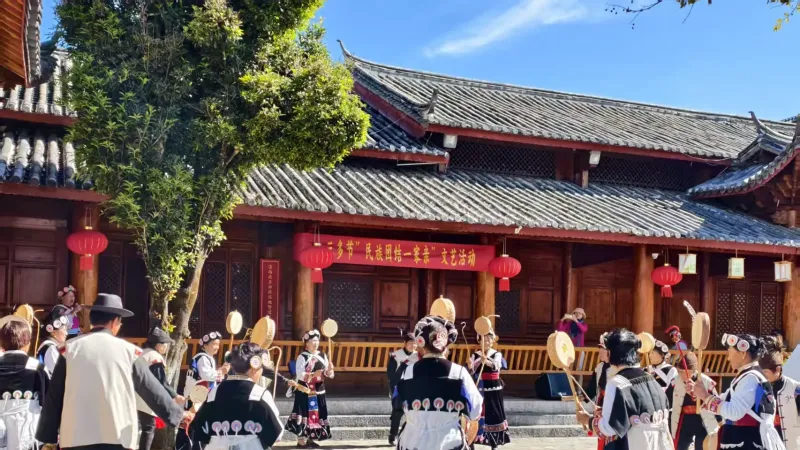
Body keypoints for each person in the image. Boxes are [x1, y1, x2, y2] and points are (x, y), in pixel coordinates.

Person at [35, 293, 187, 450]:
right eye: (120, 322)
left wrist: (47, 436)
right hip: (117, 437)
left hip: (75, 438)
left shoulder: (69, 350)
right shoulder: (129, 352)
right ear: (115, 322)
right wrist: (178, 415)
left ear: (92, 320)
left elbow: (55, 395)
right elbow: (151, 388)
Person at [393, 315, 483, 450]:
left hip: (411, 442)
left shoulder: (408, 372)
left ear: (422, 345)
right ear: (445, 345)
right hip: (448, 443)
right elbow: (476, 410)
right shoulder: (458, 373)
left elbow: (397, 404)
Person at [576, 328, 673, 450]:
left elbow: (608, 428)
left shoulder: (617, 383)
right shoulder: (651, 378)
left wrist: (586, 419)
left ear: (611, 353)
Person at [692, 333, 785, 450]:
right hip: (744, 439)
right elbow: (725, 399)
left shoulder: (750, 378)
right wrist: (700, 394)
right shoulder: (748, 376)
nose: (728, 358)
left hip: (746, 441)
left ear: (743, 353)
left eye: (730, 352)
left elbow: (735, 412)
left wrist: (706, 397)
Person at [189, 342, 283, 450]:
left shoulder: (214, 392)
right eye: (261, 368)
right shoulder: (259, 394)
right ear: (254, 367)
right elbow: (277, 434)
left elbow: (200, 430)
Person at [0, 316, 49, 450]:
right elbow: (48, 402)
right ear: (27, 343)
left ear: (2, 343)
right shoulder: (37, 368)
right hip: (26, 435)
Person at [177, 330, 227, 450]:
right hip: (197, 398)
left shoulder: (207, 358)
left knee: (196, 425)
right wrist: (221, 371)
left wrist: (221, 372)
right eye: (214, 344)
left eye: (218, 344)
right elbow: (206, 375)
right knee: (194, 426)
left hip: (201, 397)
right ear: (205, 345)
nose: (217, 347)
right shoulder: (202, 358)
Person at [285, 329, 335, 448]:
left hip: (318, 390)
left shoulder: (323, 356)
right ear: (306, 343)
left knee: (316, 414)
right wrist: (312, 375)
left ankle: (312, 437)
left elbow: (329, 375)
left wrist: (329, 371)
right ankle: (301, 440)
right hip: (305, 390)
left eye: (317, 341)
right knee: (303, 413)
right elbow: (299, 374)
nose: (315, 343)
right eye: (313, 341)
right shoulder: (302, 357)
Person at [137, 327, 185, 450]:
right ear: (158, 345)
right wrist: (174, 395)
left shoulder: (141, 353)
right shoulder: (155, 357)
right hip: (146, 397)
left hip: (135, 394)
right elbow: (161, 381)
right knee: (149, 428)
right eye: (165, 344)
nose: (167, 347)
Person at [469, 330, 510, 449]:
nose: (486, 341)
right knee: (477, 412)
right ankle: (473, 439)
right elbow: (472, 371)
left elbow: (496, 365)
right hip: (479, 386)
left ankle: (494, 442)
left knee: (493, 412)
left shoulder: (496, 354)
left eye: (489, 339)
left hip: (493, 387)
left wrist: (486, 361)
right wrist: (472, 365)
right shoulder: (475, 355)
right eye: (484, 339)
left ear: (492, 341)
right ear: (479, 341)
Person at [670, 352, 719, 450]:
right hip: (684, 419)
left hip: (702, 419)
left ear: (694, 370)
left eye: (685, 372)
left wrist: (698, 394)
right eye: (680, 371)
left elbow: (715, 403)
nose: (682, 375)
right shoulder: (675, 381)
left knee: (703, 446)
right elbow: (667, 400)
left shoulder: (706, 382)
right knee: (679, 446)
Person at [760, 335, 800, 450]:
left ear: (777, 370)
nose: (762, 376)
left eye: (765, 372)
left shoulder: (795, 389)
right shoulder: (759, 388)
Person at [387, 331, 418, 446]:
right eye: (410, 343)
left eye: (415, 343)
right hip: (399, 387)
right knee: (397, 411)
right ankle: (393, 435)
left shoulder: (418, 356)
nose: (413, 345)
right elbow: (391, 375)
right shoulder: (396, 355)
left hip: (413, 387)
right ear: (405, 343)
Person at [585, 332, 611, 450]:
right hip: (601, 403)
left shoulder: (618, 368)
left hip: (612, 403)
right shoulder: (599, 367)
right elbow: (593, 387)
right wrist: (583, 397)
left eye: (603, 349)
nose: (600, 351)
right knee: (601, 437)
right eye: (599, 349)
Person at [36, 305, 70, 376]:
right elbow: (58, 374)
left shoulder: (53, 347)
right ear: (54, 332)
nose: (66, 333)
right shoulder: (50, 348)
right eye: (64, 330)